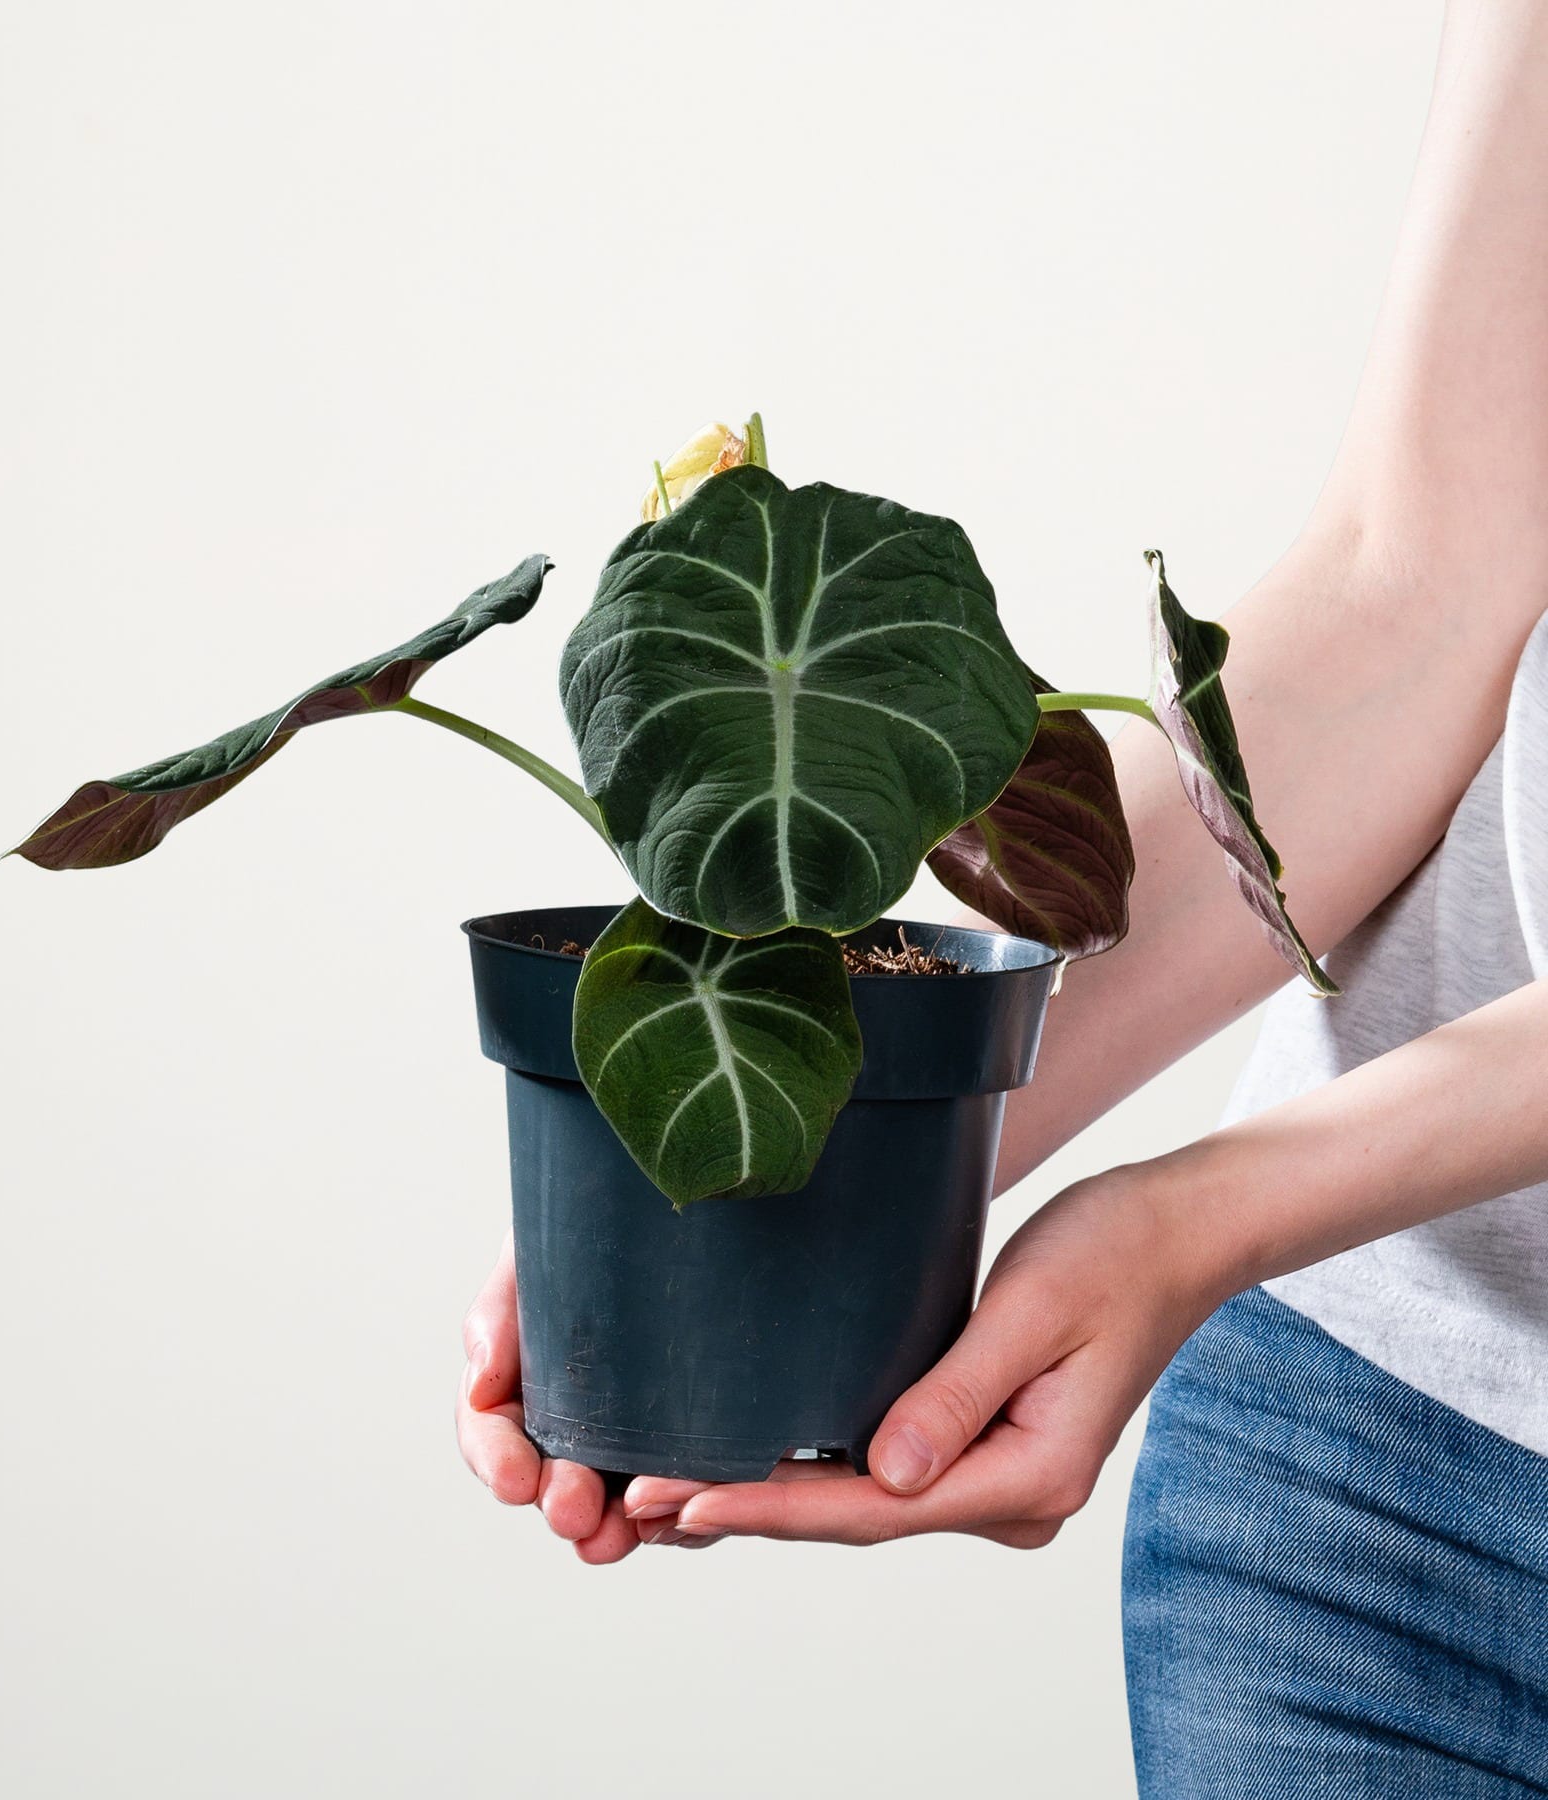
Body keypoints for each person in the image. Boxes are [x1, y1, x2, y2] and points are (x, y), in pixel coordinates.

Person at [457, 2, 1548, 1789]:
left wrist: (1197, 1220)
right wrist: (769, 1139)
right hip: (1363, 1452)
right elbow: (1416, 589)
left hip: (1280, 1233)